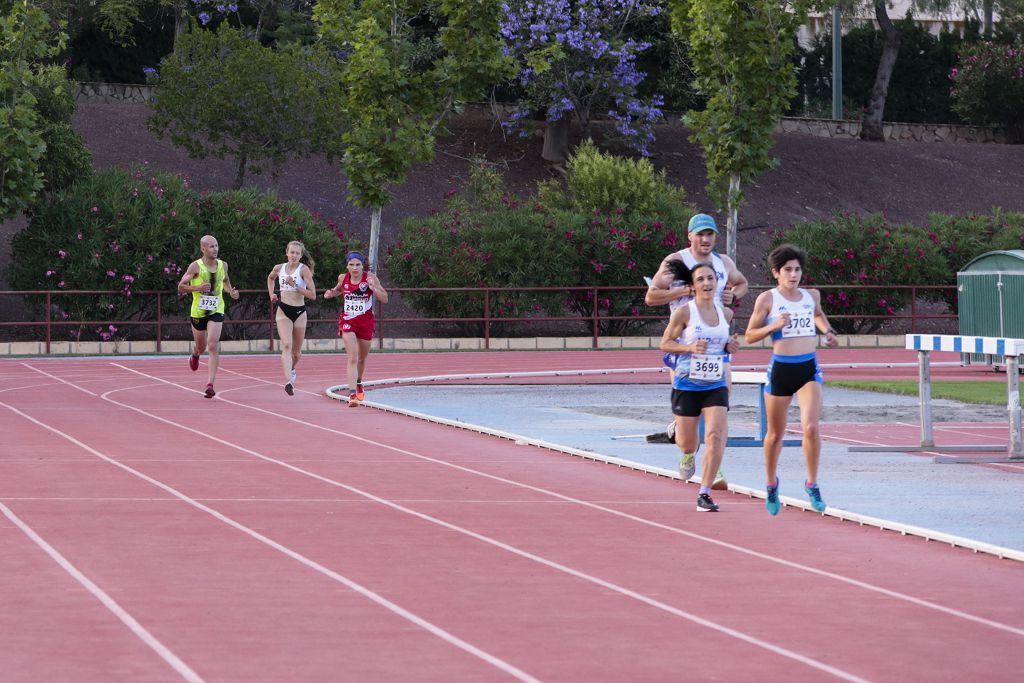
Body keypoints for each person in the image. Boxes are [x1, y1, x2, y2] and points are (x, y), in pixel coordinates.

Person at [646, 213, 748, 487]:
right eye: (700, 234)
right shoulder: (675, 262)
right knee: (689, 414)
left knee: (719, 406)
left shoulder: (723, 262)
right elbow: (651, 296)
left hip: (715, 348)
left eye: (710, 234)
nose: (705, 239)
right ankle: (686, 446)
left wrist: (732, 295)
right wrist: (681, 292)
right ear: (689, 236)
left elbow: (742, 283)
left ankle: (714, 468)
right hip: (683, 347)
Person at [744, 244, 839, 516]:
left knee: (811, 427)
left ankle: (812, 483)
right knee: (775, 435)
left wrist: (828, 332)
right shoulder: (768, 299)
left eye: (797, 269)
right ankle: (772, 483)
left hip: (808, 368)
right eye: (787, 270)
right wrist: (774, 326)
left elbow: (818, 314)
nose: (793, 274)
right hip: (781, 371)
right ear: (776, 273)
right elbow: (749, 335)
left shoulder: (811, 296)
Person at [659, 261, 740, 512]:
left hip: (715, 383)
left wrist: (731, 347)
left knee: (715, 435)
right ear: (693, 287)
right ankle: (684, 449)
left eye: (710, 279)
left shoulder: (725, 314)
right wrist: (689, 348)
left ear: (717, 284)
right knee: (688, 442)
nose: (707, 283)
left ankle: (704, 493)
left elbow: (726, 345)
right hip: (687, 383)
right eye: (701, 280)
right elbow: (666, 343)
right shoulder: (684, 312)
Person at [323, 251, 389, 407]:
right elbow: (339, 289)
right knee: (353, 356)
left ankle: (359, 382)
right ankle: (352, 393)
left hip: (366, 322)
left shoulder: (370, 278)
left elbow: (385, 299)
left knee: (362, 358)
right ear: (347, 266)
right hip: (348, 321)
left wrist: (374, 289)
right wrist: (331, 293)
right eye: (351, 265)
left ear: (362, 265)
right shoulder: (343, 277)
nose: (354, 268)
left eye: (358, 265)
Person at [178, 235, 240, 398]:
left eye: (217, 246)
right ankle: (196, 354)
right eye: (211, 247)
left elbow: (225, 282)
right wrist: (197, 287)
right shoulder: (195, 267)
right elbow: (181, 286)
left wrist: (231, 292)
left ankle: (210, 384)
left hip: (216, 310)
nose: (215, 249)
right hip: (198, 312)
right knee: (202, 346)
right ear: (203, 249)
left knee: (213, 345)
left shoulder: (223, 265)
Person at [267, 241, 317, 395]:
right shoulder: (278, 268)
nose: (294, 256)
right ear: (287, 253)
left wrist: (296, 286)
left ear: (301, 256)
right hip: (283, 310)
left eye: (297, 253)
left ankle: (292, 368)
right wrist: (272, 294)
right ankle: (288, 381)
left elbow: (313, 295)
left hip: (300, 312)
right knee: (287, 345)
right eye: (292, 252)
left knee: (296, 352)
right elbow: (270, 278)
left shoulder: (304, 270)